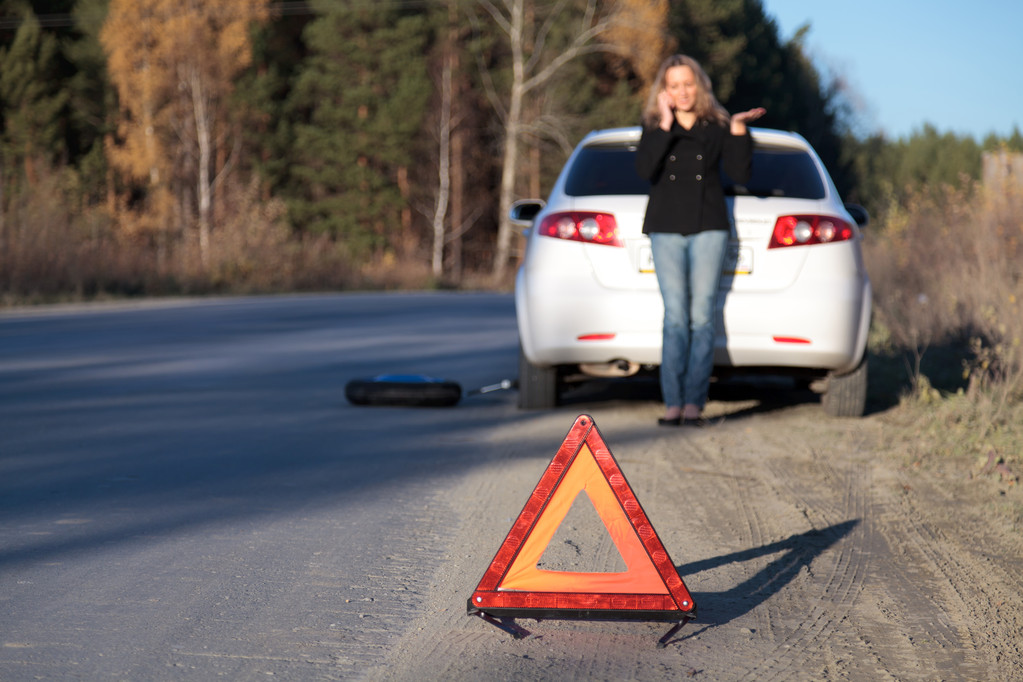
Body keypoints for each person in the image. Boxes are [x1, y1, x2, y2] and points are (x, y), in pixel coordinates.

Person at [635, 54, 765, 427]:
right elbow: (645, 170)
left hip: (709, 225)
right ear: (664, 91)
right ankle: (672, 403)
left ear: (700, 85)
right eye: (674, 85)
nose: (682, 92)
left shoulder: (716, 125)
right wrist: (664, 123)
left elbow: (741, 174)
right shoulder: (656, 124)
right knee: (675, 316)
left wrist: (738, 129)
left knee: (702, 316)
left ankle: (694, 404)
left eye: (687, 84)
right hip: (665, 227)